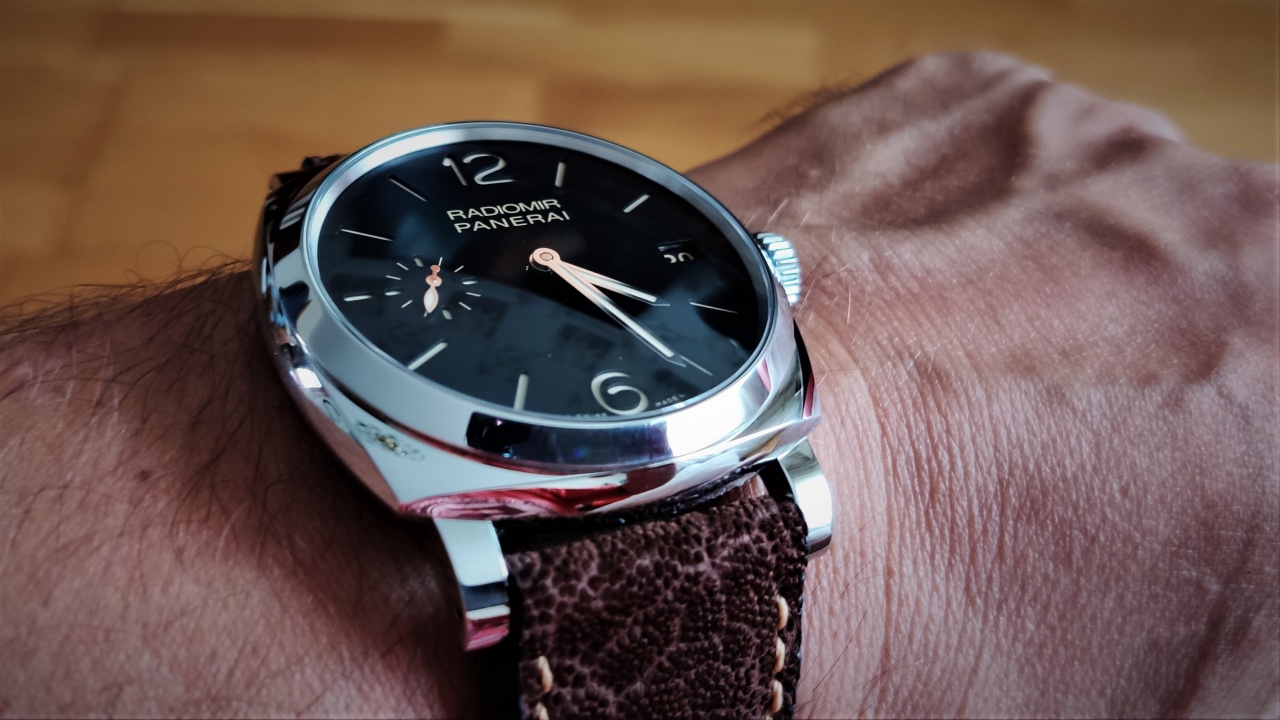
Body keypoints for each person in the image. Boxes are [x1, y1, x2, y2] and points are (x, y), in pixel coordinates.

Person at [1, 52, 1275, 718]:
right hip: (481, 478)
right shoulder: (381, 393)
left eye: (555, 259)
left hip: (718, 416)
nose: (548, 262)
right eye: (531, 266)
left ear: (767, 270)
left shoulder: (765, 381)